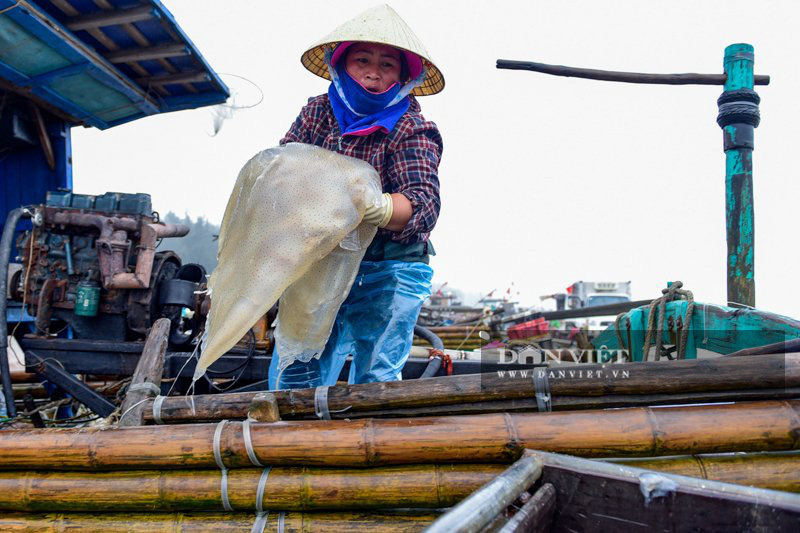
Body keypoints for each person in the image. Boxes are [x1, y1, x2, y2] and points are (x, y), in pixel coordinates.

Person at [267, 4, 445, 389]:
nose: (373, 73)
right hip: (321, 257)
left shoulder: (412, 127)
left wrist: (375, 207)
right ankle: (290, 444)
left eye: (388, 66)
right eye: (362, 60)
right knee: (298, 365)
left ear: (404, 77)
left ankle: (369, 442)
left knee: (376, 375)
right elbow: (285, 172)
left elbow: (422, 206)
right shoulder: (317, 112)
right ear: (340, 64)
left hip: (387, 265)